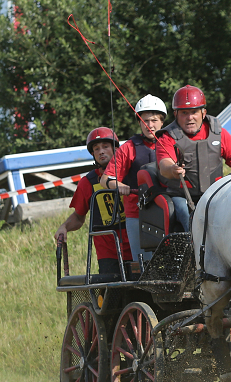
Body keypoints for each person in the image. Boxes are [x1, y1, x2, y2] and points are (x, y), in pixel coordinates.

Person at [155, 85, 231, 232]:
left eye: (194, 112)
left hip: (215, 194)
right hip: (181, 196)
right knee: (184, 213)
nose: (190, 117)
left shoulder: (219, 133)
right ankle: (193, 247)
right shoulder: (167, 137)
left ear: (203, 113)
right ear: (175, 114)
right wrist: (173, 169)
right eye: (184, 113)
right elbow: (164, 165)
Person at [54, 127, 132, 275]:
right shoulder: (87, 182)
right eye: (96, 149)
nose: (101, 151)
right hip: (108, 251)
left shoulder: (131, 173)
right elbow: (78, 216)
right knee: (112, 295)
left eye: (105, 146)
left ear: (116, 148)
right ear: (93, 154)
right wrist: (64, 227)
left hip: (136, 244)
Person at [100, 95, 167, 263]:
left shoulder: (170, 143)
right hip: (137, 214)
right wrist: (119, 185)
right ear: (139, 123)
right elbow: (105, 178)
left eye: (153, 120)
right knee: (144, 264)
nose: (149, 125)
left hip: (167, 210)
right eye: (144, 121)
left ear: (162, 122)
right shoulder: (128, 148)